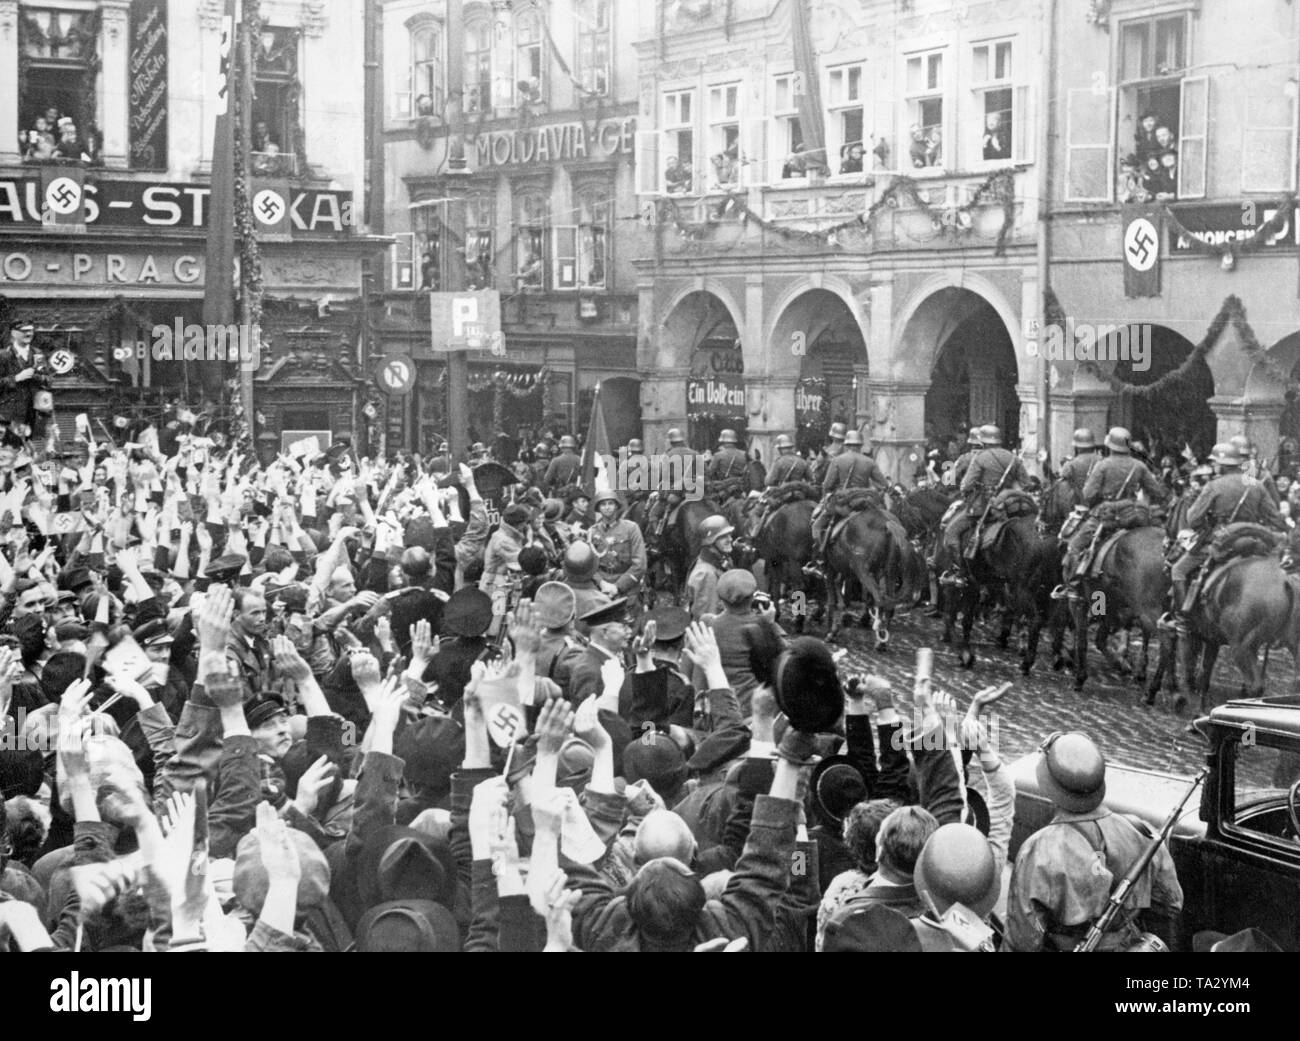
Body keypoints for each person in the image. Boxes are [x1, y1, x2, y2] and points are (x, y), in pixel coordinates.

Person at [1005, 731, 1183, 952]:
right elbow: (1170, 904)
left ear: (1049, 786)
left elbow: (1022, 940)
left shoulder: (1038, 850)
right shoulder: (1140, 831)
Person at [1163, 441, 1285, 633]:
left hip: (1221, 541)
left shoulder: (1214, 485)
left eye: (1215, 463)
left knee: (1178, 570)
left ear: (1222, 464)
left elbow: (1193, 519)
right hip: (1252, 541)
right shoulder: (1256, 485)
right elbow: (1276, 519)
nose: (1214, 466)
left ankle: (1182, 619)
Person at [1053, 426, 1166, 602]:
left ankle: (1073, 588)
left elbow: (1088, 494)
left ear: (1111, 446)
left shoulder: (1103, 465)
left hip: (1107, 517)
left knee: (1075, 545)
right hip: (1133, 517)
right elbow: (1158, 492)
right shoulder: (1139, 465)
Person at [939, 425, 1023, 587]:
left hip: (980, 505)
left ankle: (959, 571)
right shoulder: (1012, 458)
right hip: (1010, 505)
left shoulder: (968, 458)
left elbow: (959, 484)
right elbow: (1026, 484)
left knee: (950, 532)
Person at [807, 429, 889, 580]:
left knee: (817, 526)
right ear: (860, 445)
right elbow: (883, 484)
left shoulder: (838, 460)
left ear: (847, 444)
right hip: (866, 503)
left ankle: (820, 560)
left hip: (843, 504)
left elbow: (827, 485)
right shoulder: (869, 462)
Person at [589, 491, 647, 610]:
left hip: (627, 587)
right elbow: (589, 565)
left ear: (616, 506)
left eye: (611, 503)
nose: (607, 507)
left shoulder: (631, 528)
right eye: (603, 504)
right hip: (602, 589)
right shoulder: (592, 532)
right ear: (598, 508)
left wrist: (618, 586)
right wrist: (601, 583)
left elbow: (640, 564)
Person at [685, 516, 733, 621]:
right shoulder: (706, 573)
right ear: (711, 542)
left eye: (730, 534)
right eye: (723, 536)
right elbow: (708, 618)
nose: (730, 539)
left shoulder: (719, 560)